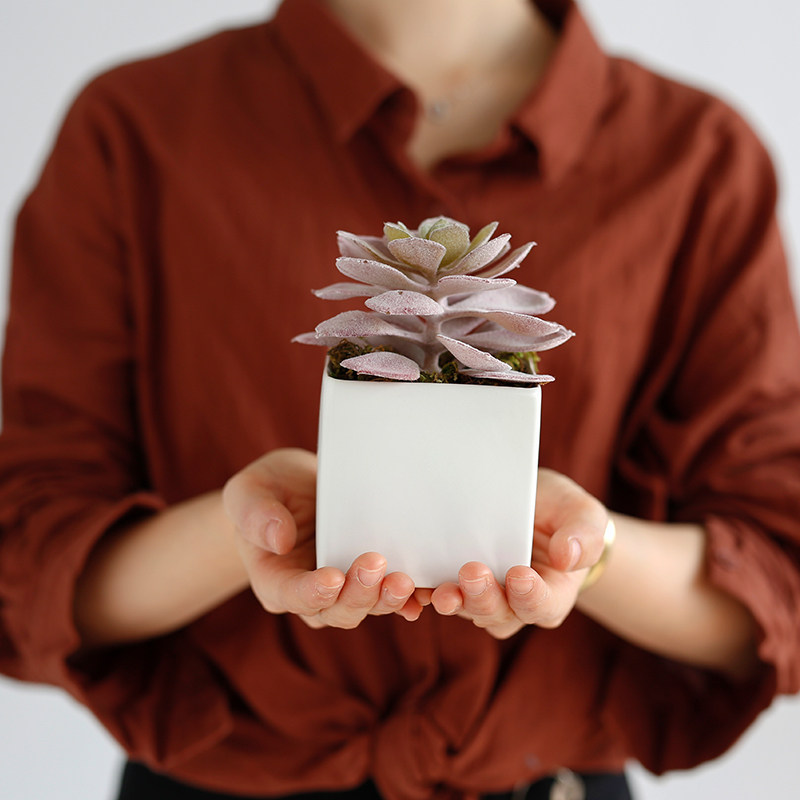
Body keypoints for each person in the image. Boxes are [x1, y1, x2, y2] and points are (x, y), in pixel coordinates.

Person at [1, 0, 799, 798]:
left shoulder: (697, 158)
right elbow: (33, 554)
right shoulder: (139, 127)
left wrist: (580, 555)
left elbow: (774, 582)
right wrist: (245, 532)